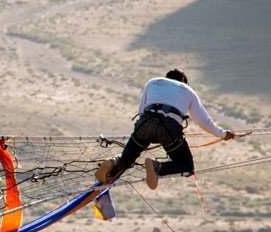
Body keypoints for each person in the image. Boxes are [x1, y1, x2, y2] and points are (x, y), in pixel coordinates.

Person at [96, 69, 236, 190]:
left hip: (145, 123)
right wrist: (223, 134)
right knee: (186, 166)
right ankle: (157, 167)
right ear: (183, 81)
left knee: (128, 158)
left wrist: (140, 134)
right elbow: (204, 121)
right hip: (168, 129)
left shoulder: (153, 82)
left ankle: (113, 162)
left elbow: (141, 111)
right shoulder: (187, 90)